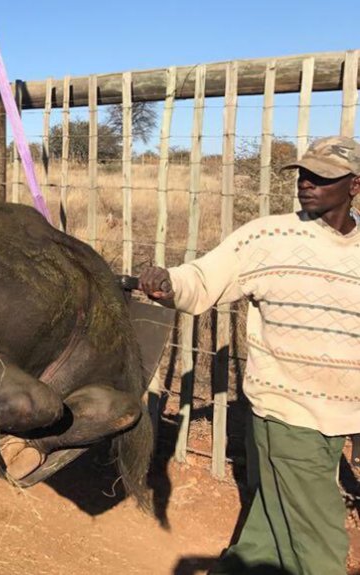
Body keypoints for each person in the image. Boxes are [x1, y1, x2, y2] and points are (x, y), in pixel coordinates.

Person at [139, 136, 360, 575]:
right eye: (303, 173)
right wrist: (168, 284)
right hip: (289, 411)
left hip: (341, 414)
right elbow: (204, 278)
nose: (307, 183)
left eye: (322, 177)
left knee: (269, 532)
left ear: (354, 185)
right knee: (321, 546)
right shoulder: (268, 236)